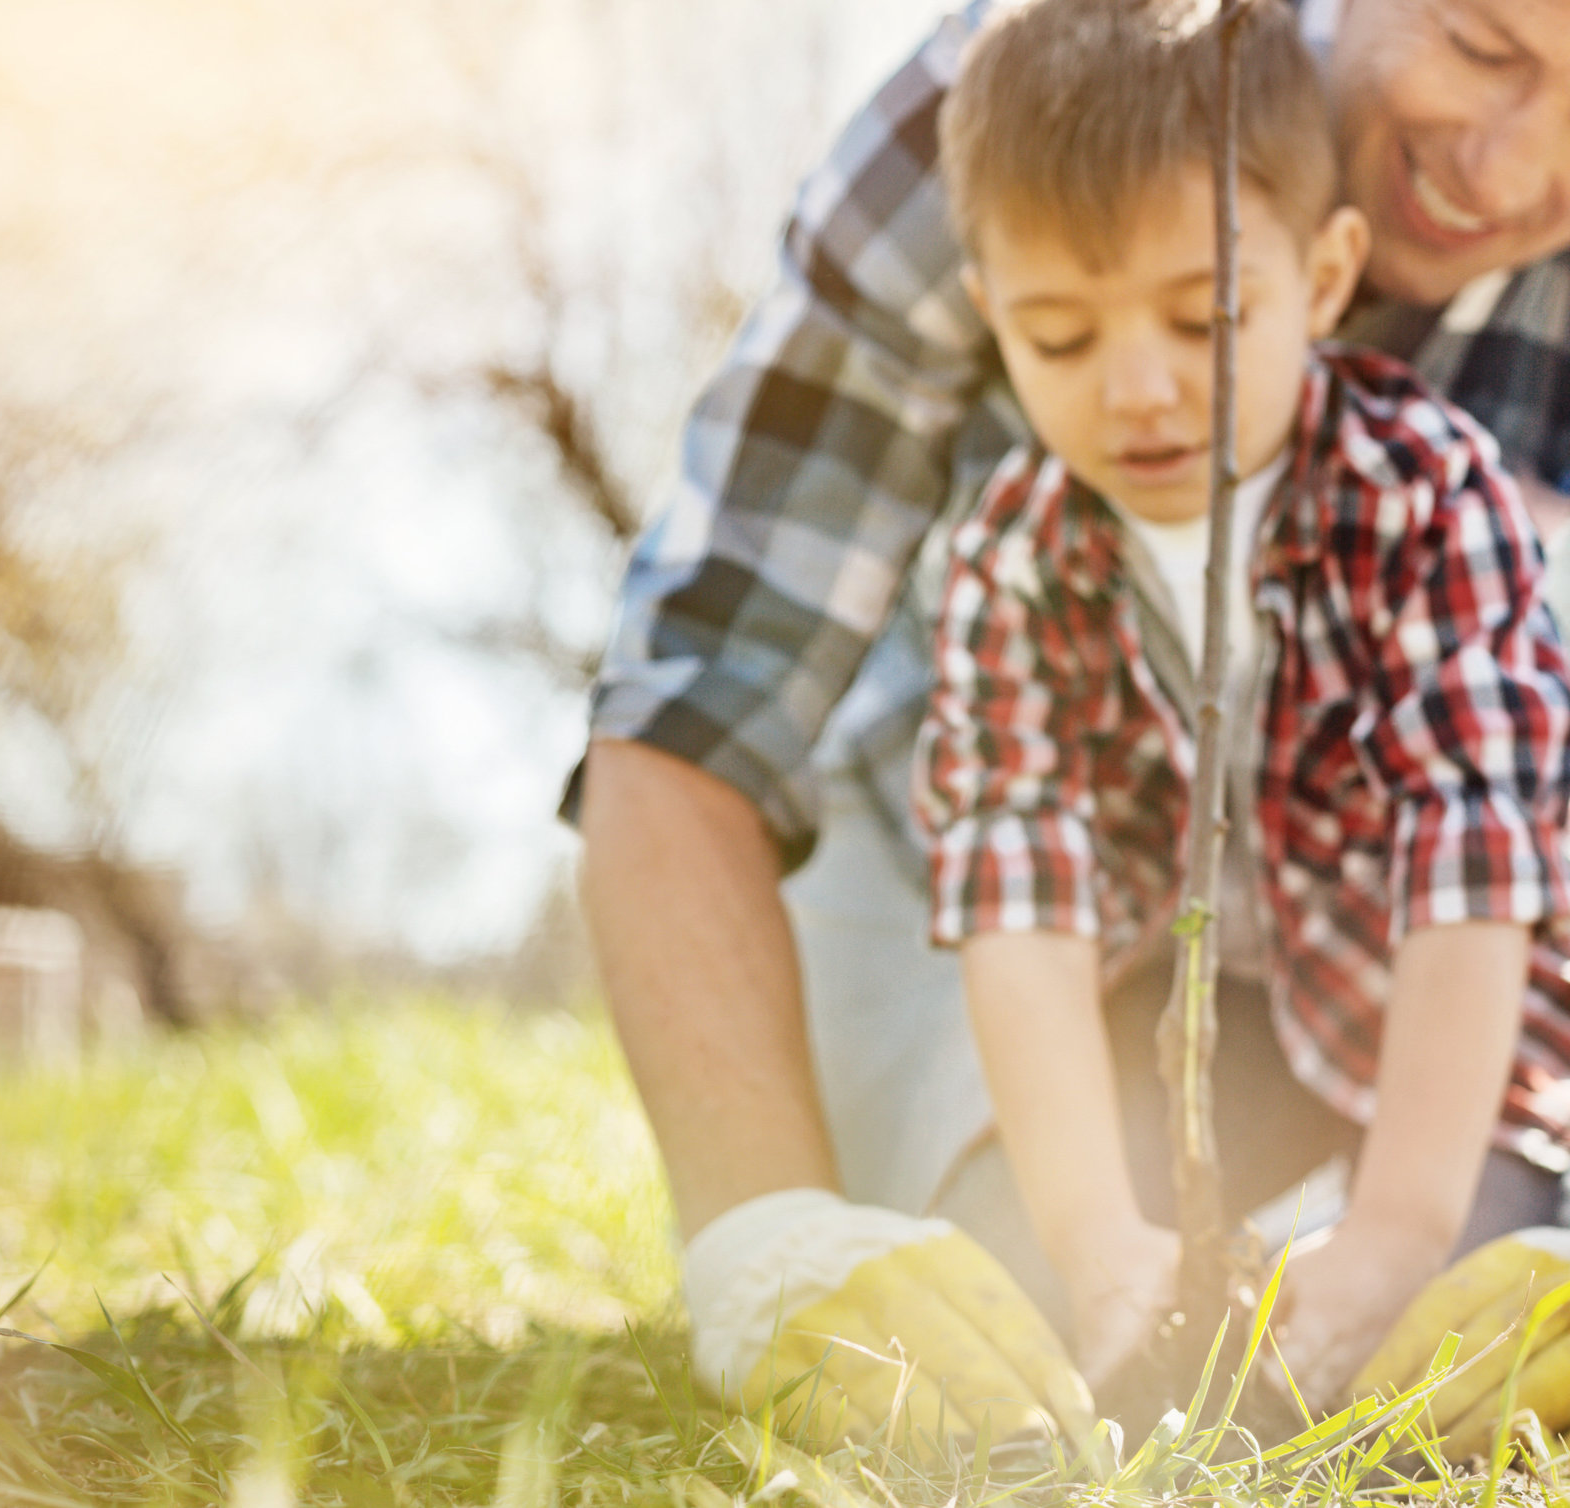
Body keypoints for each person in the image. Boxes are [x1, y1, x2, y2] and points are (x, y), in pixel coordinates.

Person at [572, 0, 1570, 1442]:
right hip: (992, 862)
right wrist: (761, 1233)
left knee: (1467, 1277)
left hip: (1449, 932)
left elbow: (1484, 848)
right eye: (1483, 45)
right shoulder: (1030, 95)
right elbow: (699, 704)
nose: (1504, 164)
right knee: (1016, 1287)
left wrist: (1445, 1219)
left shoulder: (1436, 495)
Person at [918, 0, 1570, 1398]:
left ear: (1326, 278)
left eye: (1204, 318)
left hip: (1467, 1026)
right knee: (994, 1287)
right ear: (992, 319)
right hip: (1215, 1014)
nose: (1141, 391)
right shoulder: (1012, 560)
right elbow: (1019, 916)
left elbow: (1474, 893)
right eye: (1060, 336)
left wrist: (1394, 1238)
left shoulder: (1426, 499)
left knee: (1443, 1327)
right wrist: (1097, 1245)